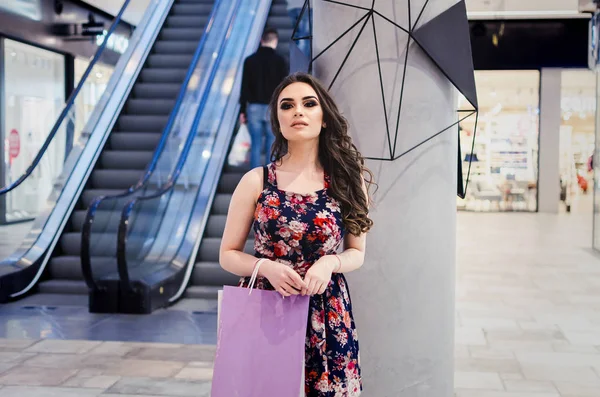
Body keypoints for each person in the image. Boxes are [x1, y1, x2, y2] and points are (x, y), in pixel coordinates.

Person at [220, 72, 374, 396]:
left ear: (324, 118)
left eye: (308, 103)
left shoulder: (346, 180)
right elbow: (228, 255)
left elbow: (357, 252)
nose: (297, 111)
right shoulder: (257, 181)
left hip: (327, 314)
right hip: (267, 307)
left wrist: (330, 263)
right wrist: (266, 267)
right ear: (278, 120)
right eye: (287, 106)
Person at [239, 28, 288, 169]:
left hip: (253, 107)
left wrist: (243, 109)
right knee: (272, 144)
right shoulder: (280, 61)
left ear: (261, 40)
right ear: (275, 41)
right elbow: (284, 88)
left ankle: (253, 178)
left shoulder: (249, 61)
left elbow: (244, 88)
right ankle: (269, 178)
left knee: (255, 144)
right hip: (272, 108)